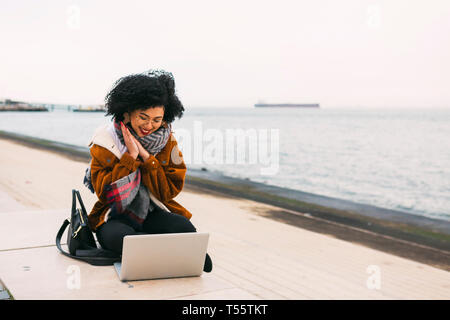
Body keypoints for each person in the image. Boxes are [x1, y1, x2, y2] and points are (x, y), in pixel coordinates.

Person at [83, 69, 212, 272]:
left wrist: (147, 159)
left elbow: (168, 192)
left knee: (184, 227)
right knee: (122, 239)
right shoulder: (104, 141)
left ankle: (160, 250)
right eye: (143, 117)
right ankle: (167, 252)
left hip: (152, 211)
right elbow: (105, 194)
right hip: (113, 214)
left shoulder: (168, 142)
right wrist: (130, 157)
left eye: (157, 119)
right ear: (126, 113)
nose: (149, 125)